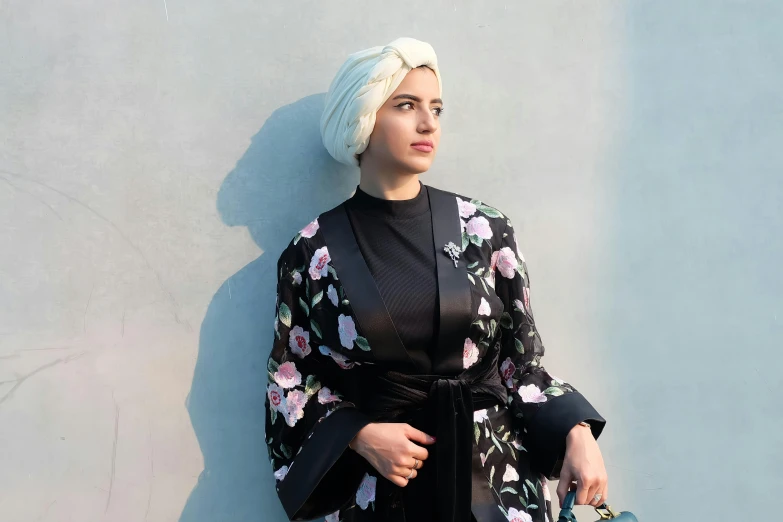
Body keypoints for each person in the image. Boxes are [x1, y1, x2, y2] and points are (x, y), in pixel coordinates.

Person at [264, 37, 609, 522]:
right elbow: (291, 381)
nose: (428, 123)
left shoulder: (485, 229)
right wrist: (359, 434)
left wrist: (576, 431)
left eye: (437, 108)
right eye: (406, 105)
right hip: (382, 490)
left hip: (496, 480)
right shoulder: (312, 251)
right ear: (362, 118)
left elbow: (520, 361)